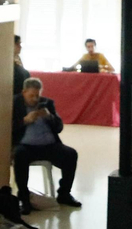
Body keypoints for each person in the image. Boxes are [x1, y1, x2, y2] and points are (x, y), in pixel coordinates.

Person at [10, 78, 80, 214]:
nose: (35, 99)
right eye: (31, 95)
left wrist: (50, 117)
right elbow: (7, 128)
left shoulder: (47, 103)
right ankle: (24, 198)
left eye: (37, 95)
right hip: (25, 146)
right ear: (24, 92)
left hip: (49, 145)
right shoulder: (14, 103)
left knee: (71, 154)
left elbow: (59, 127)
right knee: (19, 156)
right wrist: (24, 121)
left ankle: (64, 194)